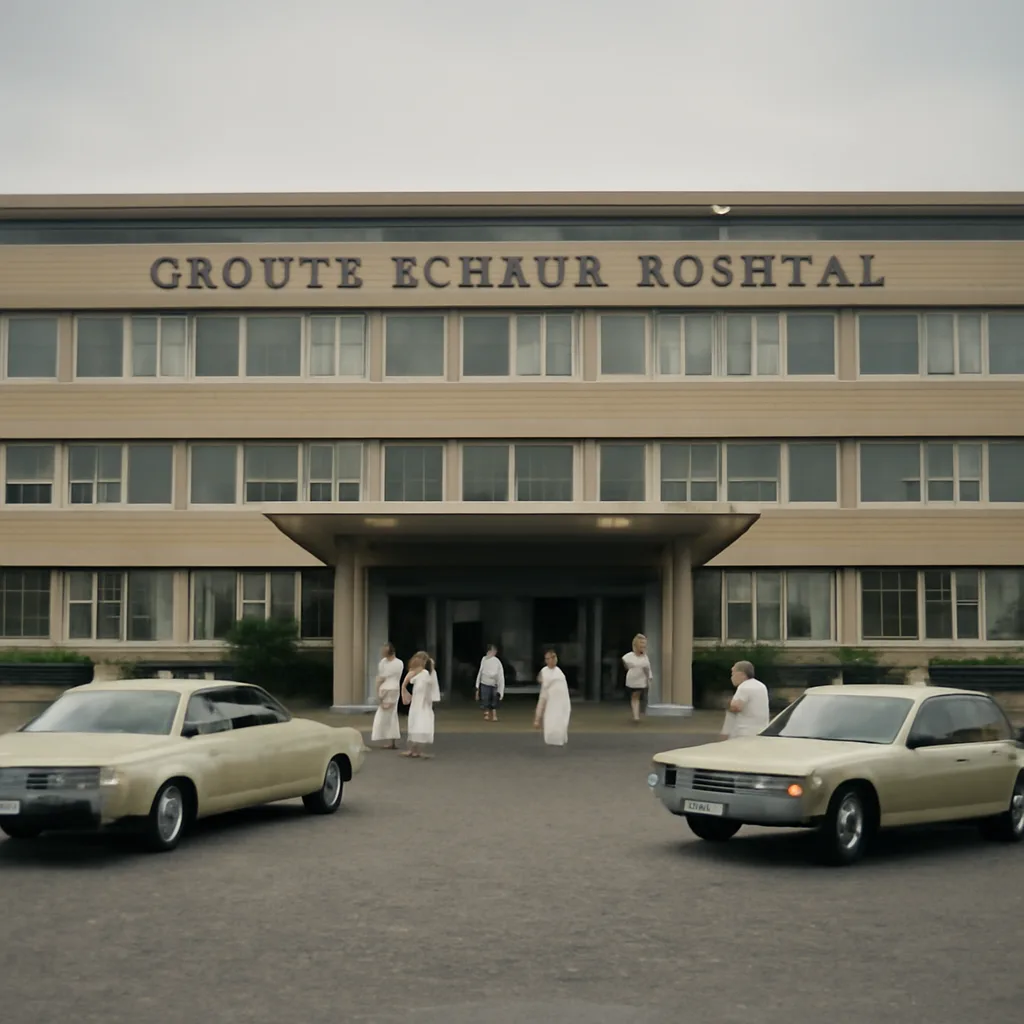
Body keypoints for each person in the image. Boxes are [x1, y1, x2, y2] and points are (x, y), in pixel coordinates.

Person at [403, 650, 441, 758]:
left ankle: (415, 749)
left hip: (421, 703)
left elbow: (429, 687)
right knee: (417, 724)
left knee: (418, 724)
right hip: (420, 703)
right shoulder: (424, 674)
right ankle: (414, 749)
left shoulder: (425, 674)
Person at [720, 660, 770, 740]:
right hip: (761, 730)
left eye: (733, 673)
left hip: (744, 732)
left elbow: (736, 707)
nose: (731, 677)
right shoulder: (761, 686)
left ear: (741, 674)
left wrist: (726, 703)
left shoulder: (744, 687)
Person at [534, 648, 571, 746]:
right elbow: (543, 693)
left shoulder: (559, 673)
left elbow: (563, 690)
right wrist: (537, 718)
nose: (551, 660)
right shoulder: (544, 671)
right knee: (550, 723)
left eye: (553, 658)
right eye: (548, 658)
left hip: (560, 703)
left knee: (559, 722)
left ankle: (559, 739)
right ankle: (551, 739)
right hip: (550, 702)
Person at [370, 642, 403, 749]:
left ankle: (391, 740)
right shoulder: (385, 662)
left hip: (391, 689)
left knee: (390, 715)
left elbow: (382, 678)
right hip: (388, 688)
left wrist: (378, 692)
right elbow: (381, 677)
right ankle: (391, 740)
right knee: (387, 715)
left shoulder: (396, 663)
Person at [621, 633, 652, 724]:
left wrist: (649, 677)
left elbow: (648, 668)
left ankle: (637, 715)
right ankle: (636, 716)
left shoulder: (645, 657)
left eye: (644, 643)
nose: (643, 645)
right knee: (635, 697)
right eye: (641, 643)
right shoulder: (628, 657)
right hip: (632, 680)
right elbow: (626, 665)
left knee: (637, 696)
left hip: (641, 680)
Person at [475, 644, 505, 722]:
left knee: (494, 699)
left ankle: (494, 715)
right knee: (485, 699)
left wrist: (500, 686)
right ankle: (486, 714)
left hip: (494, 683)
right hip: (485, 682)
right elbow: (480, 672)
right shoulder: (484, 659)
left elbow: (499, 674)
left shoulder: (497, 661)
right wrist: (477, 686)